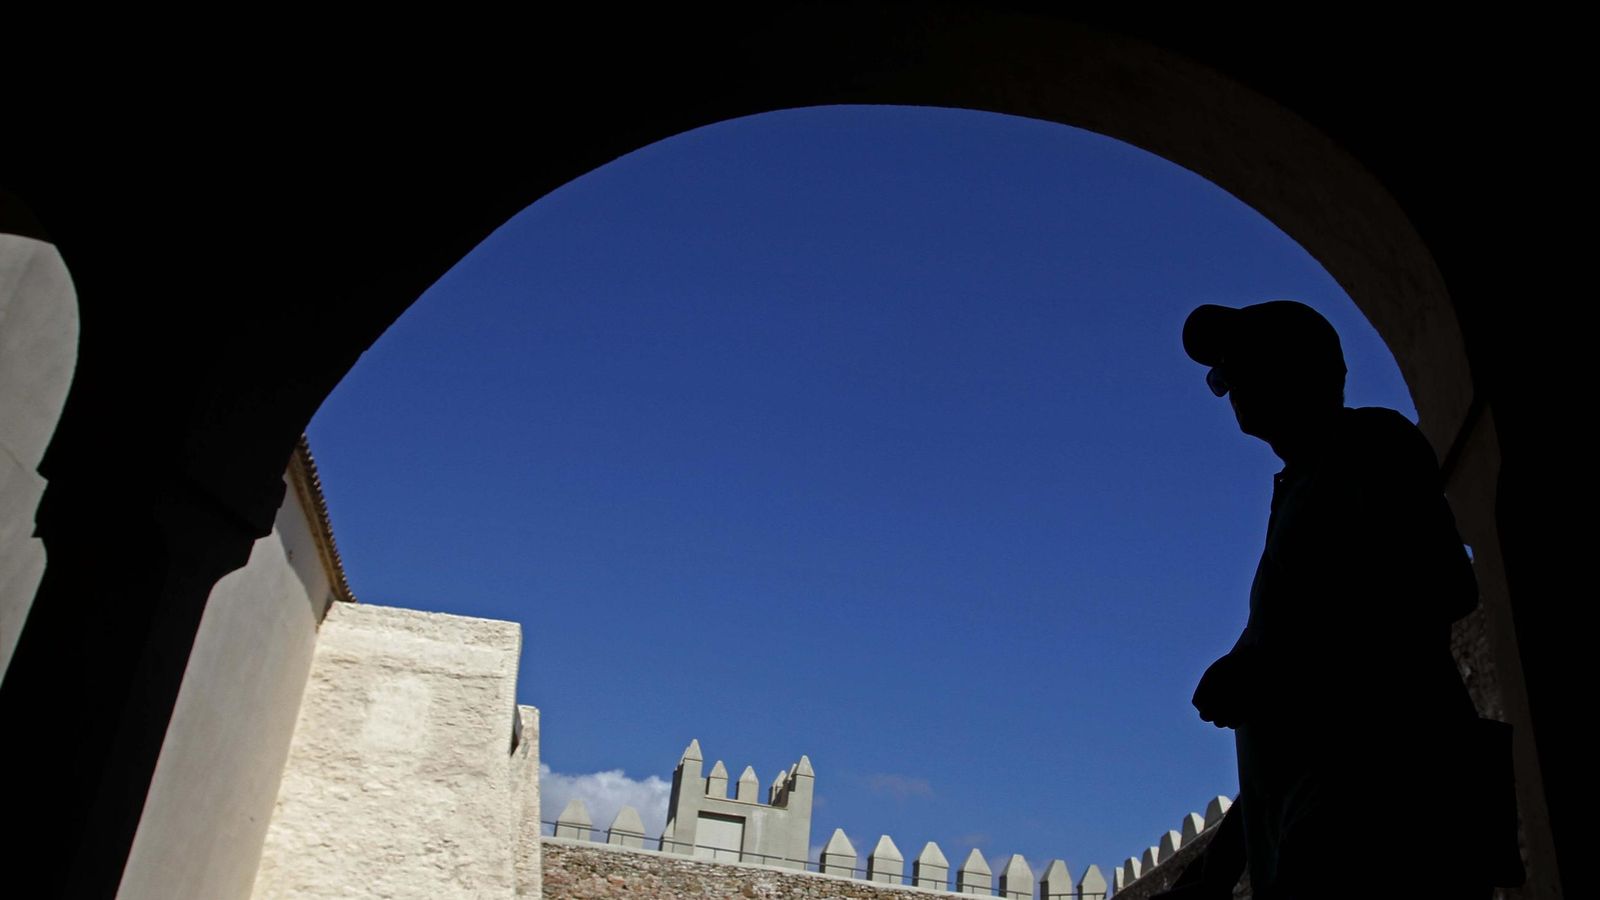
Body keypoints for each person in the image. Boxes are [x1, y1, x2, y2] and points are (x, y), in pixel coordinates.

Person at [1152, 301, 1521, 900]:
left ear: (1300, 368)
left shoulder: (1372, 447)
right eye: (1223, 377)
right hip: (1324, 827)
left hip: (1390, 821)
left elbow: (1443, 588)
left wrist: (1269, 666)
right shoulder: (1300, 490)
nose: (1229, 388)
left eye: (1237, 368)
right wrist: (1211, 873)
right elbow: (1301, 741)